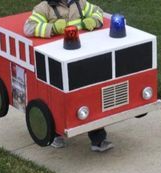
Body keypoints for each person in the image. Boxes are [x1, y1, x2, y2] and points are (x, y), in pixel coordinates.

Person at [24, 0, 114, 152]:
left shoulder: (80, 3)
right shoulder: (44, 8)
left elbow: (98, 12)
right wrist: (52, 28)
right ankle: (55, 134)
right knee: (56, 98)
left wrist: (94, 21)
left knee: (90, 96)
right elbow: (29, 28)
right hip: (57, 61)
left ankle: (98, 139)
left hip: (81, 58)